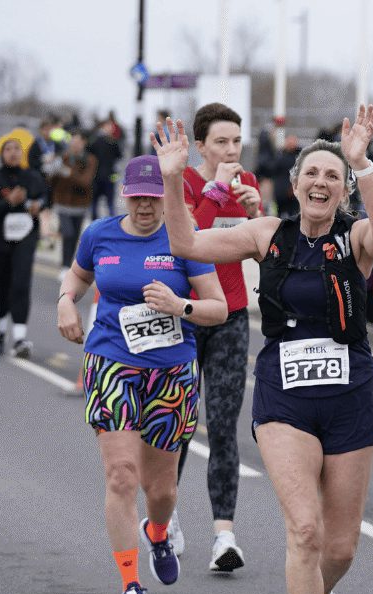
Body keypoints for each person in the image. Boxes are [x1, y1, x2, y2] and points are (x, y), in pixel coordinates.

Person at [154, 105, 373, 594]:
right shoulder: (267, 234)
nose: (321, 181)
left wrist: (365, 164)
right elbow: (186, 243)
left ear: (344, 190)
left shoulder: (353, 238)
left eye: (333, 176)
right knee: (305, 531)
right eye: (311, 172)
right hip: (284, 393)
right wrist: (173, 181)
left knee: (339, 549)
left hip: (351, 393)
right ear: (294, 182)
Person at [55, 154, 227, 594]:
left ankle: (158, 531)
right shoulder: (99, 235)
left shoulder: (183, 238)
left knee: (161, 488)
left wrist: (179, 305)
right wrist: (66, 301)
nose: (145, 206)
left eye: (153, 197)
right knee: (120, 476)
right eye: (138, 197)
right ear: (124, 194)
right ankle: (131, 589)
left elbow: (219, 307)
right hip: (112, 362)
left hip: (171, 371)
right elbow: (76, 276)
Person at [172, 101, 263, 567]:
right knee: (181, 424)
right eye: (221, 142)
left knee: (224, 426)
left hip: (230, 315)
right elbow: (190, 239)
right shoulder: (185, 183)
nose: (231, 150)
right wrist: (214, 190)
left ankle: (223, 537)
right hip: (185, 314)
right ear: (202, 145)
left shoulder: (246, 184)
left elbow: (256, 248)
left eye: (236, 141)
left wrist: (254, 213)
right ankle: (164, 520)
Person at [0, 133, 48, 358]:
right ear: (1, 153)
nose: (13, 153)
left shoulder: (33, 177)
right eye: (9, 149)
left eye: (17, 149)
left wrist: (38, 205)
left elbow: (45, 197)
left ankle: (20, 338)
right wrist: (7, 202)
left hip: (25, 239)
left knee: (20, 284)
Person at [50, 131, 97, 272]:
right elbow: (51, 182)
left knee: (76, 236)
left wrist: (69, 173)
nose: (74, 145)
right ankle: (64, 266)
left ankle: (69, 265)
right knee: (68, 233)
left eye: (77, 142)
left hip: (80, 205)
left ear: (84, 143)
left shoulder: (90, 160)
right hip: (62, 203)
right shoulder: (63, 157)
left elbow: (85, 182)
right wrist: (52, 169)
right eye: (72, 142)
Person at [257, 133, 303, 219]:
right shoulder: (280, 154)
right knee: (279, 214)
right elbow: (272, 168)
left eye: (292, 141)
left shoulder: (299, 157)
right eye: (288, 141)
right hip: (280, 191)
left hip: (292, 191)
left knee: (293, 215)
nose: (289, 143)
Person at [89, 120, 124, 219]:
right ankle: (95, 222)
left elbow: (119, 157)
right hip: (97, 175)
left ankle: (111, 222)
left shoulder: (113, 142)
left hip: (109, 175)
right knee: (95, 202)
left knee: (109, 202)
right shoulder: (96, 140)